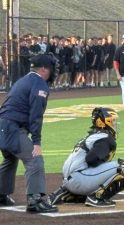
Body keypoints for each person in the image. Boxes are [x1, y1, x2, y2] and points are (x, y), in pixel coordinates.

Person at [0, 54, 58, 213]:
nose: (53, 71)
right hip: (11, 128)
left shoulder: (24, 80)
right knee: (35, 159)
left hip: (3, 126)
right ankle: (34, 200)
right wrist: (37, 142)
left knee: (10, 159)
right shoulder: (39, 83)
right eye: (51, 67)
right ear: (44, 69)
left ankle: (1, 194)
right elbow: (35, 114)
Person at [48, 107, 124, 207]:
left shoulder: (93, 135)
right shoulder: (106, 137)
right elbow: (90, 159)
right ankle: (96, 198)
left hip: (69, 181)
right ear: (103, 122)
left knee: (98, 168)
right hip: (80, 180)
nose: (115, 124)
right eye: (112, 121)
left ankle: (65, 193)